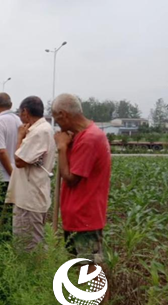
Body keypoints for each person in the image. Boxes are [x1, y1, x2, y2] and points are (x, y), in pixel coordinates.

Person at [53, 93, 111, 267]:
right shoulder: (78, 136)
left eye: (56, 119)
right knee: (78, 270)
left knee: (90, 273)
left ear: (63, 115)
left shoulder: (90, 138)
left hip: (85, 219)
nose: (58, 125)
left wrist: (62, 148)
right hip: (75, 217)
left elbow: (71, 178)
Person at [6, 96, 55, 251]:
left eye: (21, 114)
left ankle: (32, 274)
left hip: (29, 199)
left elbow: (19, 161)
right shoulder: (42, 130)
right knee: (34, 243)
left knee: (27, 247)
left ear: (25, 112)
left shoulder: (39, 132)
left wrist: (20, 136)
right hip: (32, 195)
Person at [0, 93, 22, 224]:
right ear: (10, 105)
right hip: (14, 174)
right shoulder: (18, 121)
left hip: (0, 177)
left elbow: (1, 151)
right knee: (9, 216)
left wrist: (12, 175)